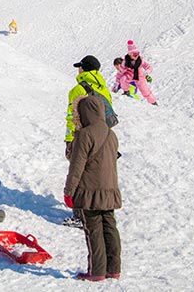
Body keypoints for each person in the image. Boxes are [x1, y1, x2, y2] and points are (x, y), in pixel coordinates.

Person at [64, 96, 122, 282]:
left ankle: (96, 271)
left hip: (90, 189)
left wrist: (69, 191)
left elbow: (77, 165)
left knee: (94, 230)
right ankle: (113, 269)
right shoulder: (111, 134)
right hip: (110, 188)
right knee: (110, 227)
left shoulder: (85, 134)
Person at [62, 54, 113, 228]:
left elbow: (72, 117)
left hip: (82, 137)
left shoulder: (77, 90)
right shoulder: (104, 89)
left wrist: (70, 140)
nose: (78, 69)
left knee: (78, 173)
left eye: (80, 67)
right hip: (103, 137)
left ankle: (79, 215)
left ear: (84, 69)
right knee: (94, 173)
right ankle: (94, 210)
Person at [124, 40, 157, 105]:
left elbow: (148, 67)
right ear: (129, 54)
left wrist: (146, 73)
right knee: (124, 81)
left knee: (145, 91)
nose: (136, 56)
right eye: (134, 54)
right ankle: (126, 93)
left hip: (139, 77)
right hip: (130, 77)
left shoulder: (140, 60)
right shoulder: (126, 61)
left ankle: (153, 102)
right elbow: (122, 71)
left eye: (137, 54)